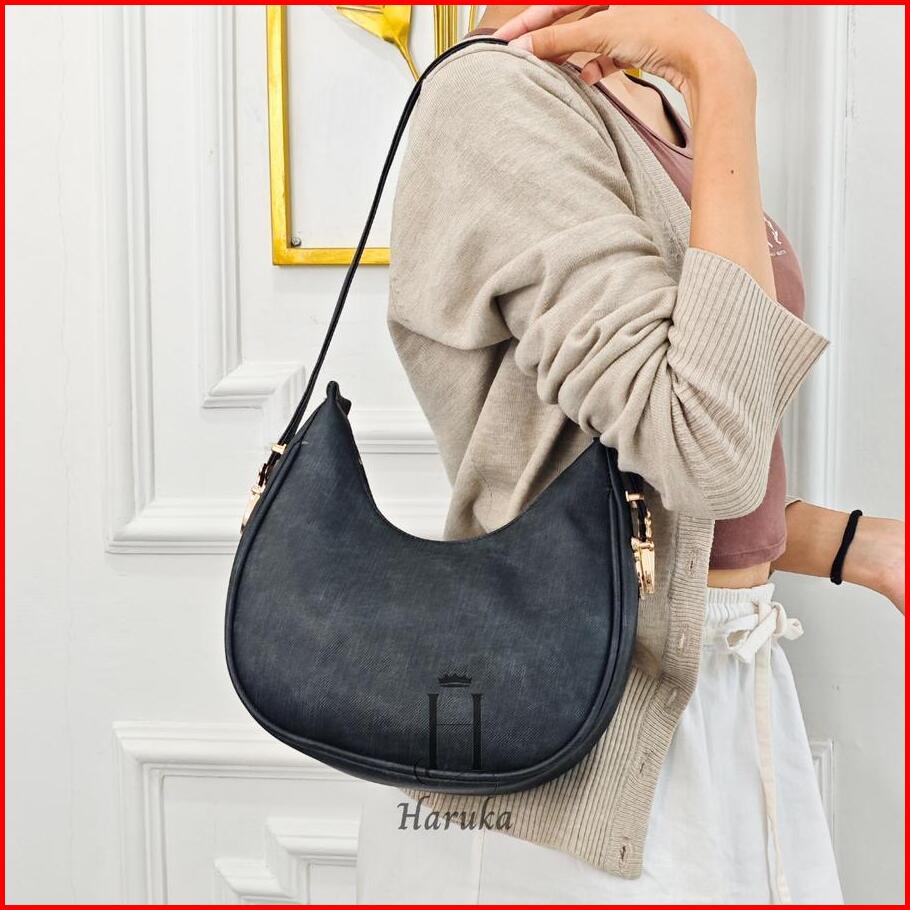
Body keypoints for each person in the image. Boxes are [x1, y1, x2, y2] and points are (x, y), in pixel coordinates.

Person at [355, 5, 904, 904]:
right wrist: (722, 70)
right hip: (577, 727)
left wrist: (859, 545)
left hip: (722, 682)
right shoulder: (497, 100)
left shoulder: (650, 92)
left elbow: (658, 487)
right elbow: (706, 447)